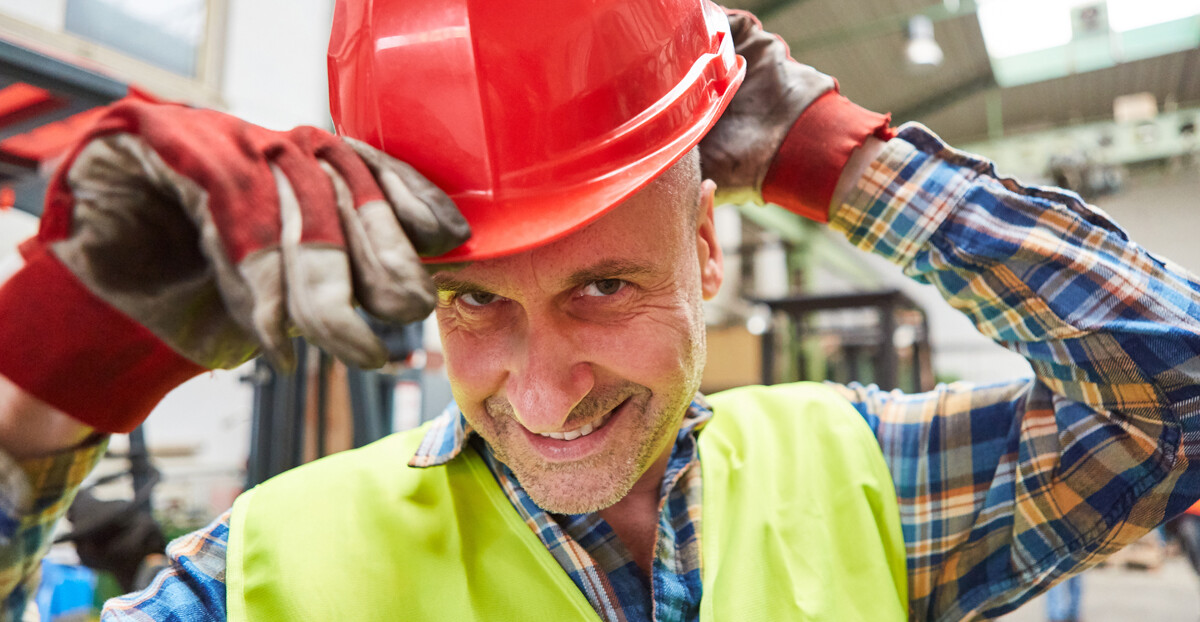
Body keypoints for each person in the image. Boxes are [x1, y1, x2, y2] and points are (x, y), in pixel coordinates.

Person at [2, 1, 1199, 620]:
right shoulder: (270, 571)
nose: (541, 387)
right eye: (473, 301)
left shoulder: (867, 478)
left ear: (705, 244)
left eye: (601, 286)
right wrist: (38, 399)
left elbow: (1172, 399)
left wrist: (844, 159)